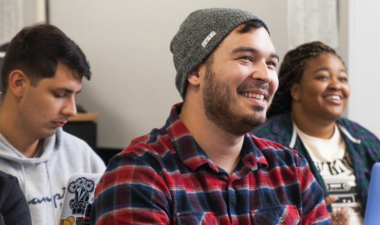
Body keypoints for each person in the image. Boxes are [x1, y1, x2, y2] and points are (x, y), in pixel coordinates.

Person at [91, 8, 331, 224]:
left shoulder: (292, 170)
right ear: (195, 71)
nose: (264, 75)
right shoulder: (140, 173)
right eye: (246, 58)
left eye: (270, 63)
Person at [252, 41, 380, 225]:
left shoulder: (364, 139)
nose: (336, 85)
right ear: (295, 90)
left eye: (342, 79)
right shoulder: (265, 144)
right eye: (323, 77)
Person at [0, 24, 106, 225]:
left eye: (75, 95)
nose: (72, 110)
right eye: (60, 94)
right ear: (19, 83)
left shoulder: (82, 157)